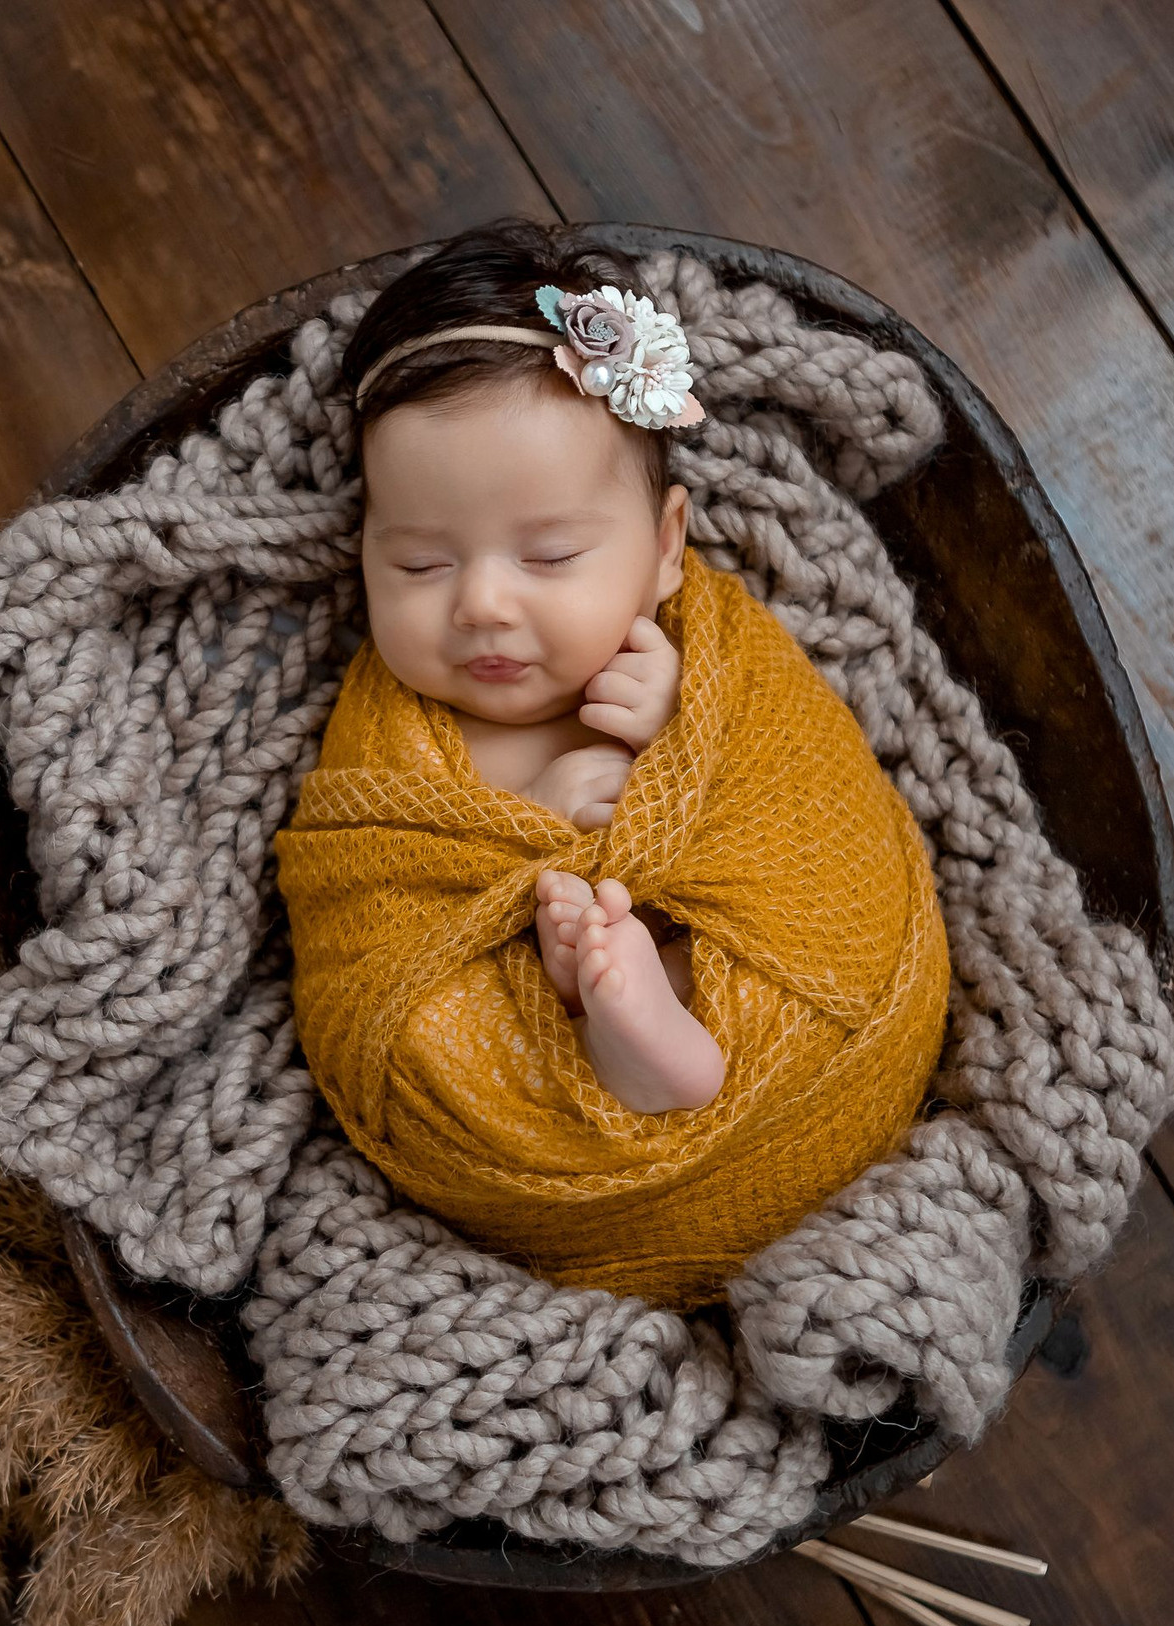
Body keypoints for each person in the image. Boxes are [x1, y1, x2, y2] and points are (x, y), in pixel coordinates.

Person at [275, 220, 950, 1308]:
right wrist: (532, 820)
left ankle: (658, 1023)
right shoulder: (391, 726)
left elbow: (799, 779)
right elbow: (368, 894)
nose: (483, 602)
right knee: (438, 1041)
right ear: (364, 548)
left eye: (550, 556)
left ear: (666, 547)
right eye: (419, 560)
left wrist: (679, 734)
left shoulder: (702, 652)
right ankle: (619, 1023)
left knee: (790, 914)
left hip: (805, 1054)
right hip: (537, 1109)